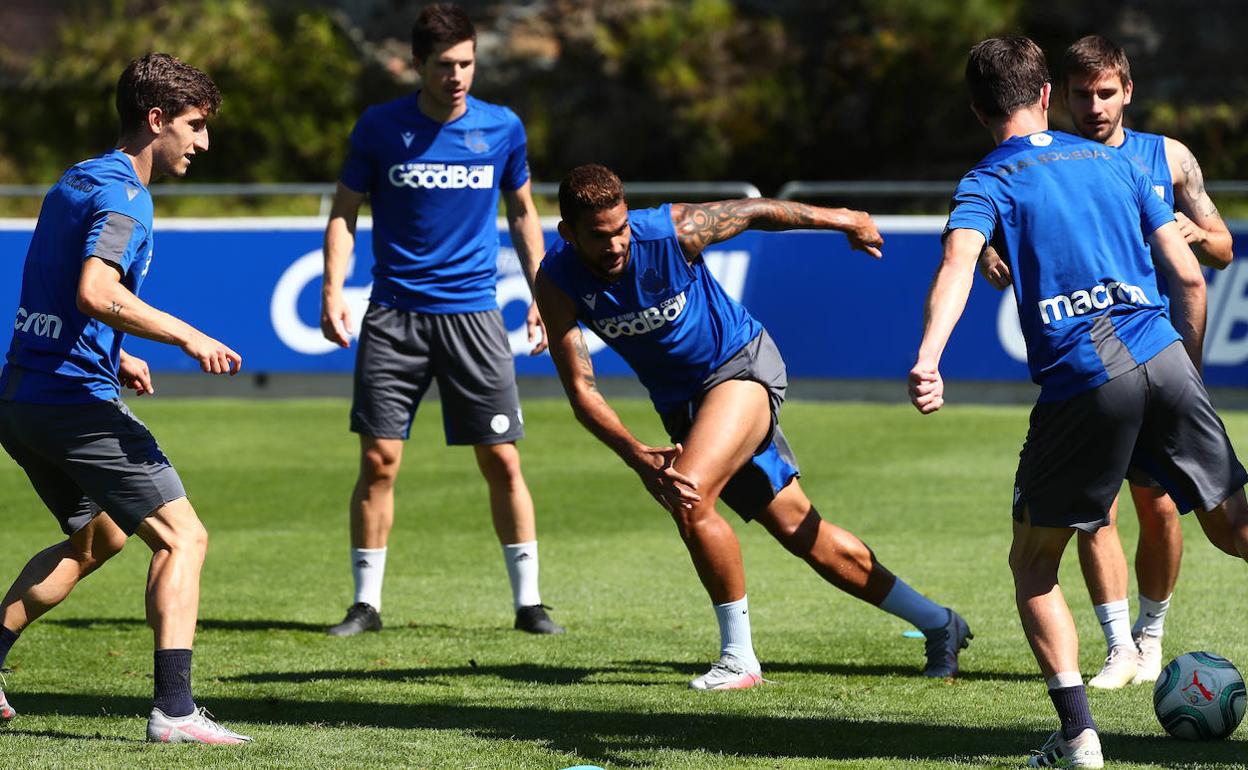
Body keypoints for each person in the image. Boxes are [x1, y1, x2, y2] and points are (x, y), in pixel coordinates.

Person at [912, 37, 1248, 768]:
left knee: (1034, 564)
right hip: (1162, 351)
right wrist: (1181, 380)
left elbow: (958, 265)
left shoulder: (985, 182)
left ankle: (1079, 740)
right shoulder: (1120, 162)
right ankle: (1123, 654)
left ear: (978, 111)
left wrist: (929, 357)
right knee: (1236, 529)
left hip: (1086, 374)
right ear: (1044, 97)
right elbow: (1190, 280)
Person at [535, 163, 971, 690]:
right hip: (683, 406)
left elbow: (760, 210)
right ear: (567, 234)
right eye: (599, 236)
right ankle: (939, 622)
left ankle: (739, 661)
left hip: (741, 367)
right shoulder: (556, 279)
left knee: (690, 497)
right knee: (801, 531)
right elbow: (582, 391)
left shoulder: (673, 230)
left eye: (621, 228)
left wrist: (846, 219)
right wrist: (635, 453)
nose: (615, 245)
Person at [0, 53, 250, 743]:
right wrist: (187, 336)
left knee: (98, 537)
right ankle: (173, 711)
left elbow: (62, 294)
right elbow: (95, 290)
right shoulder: (125, 197)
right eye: (195, 127)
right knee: (184, 538)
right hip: (72, 405)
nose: (203, 143)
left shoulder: (75, 180)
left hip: (22, 398)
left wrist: (121, 351)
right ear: (156, 118)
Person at [978, 34, 1235, 690]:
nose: (1093, 105)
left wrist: (1197, 234)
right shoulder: (1059, 165)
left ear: (1127, 91)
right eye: (1081, 94)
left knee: (1162, 508)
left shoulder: (1166, 158)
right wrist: (995, 260)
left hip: (1158, 352)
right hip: (1101, 358)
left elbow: (1223, 251)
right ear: (1056, 97)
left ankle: (1150, 635)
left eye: (1106, 92)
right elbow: (1012, 254)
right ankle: (1121, 646)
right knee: (1096, 514)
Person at [320, 3, 561, 637]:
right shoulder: (378, 128)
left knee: (502, 460)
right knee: (378, 461)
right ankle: (365, 604)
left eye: (467, 64)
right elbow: (344, 212)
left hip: (475, 315)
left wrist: (545, 290)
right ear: (417, 65)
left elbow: (524, 214)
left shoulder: (503, 127)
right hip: (394, 315)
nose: (458, 76)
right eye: (445, 65)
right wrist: (331, 287)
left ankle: (530, 602)